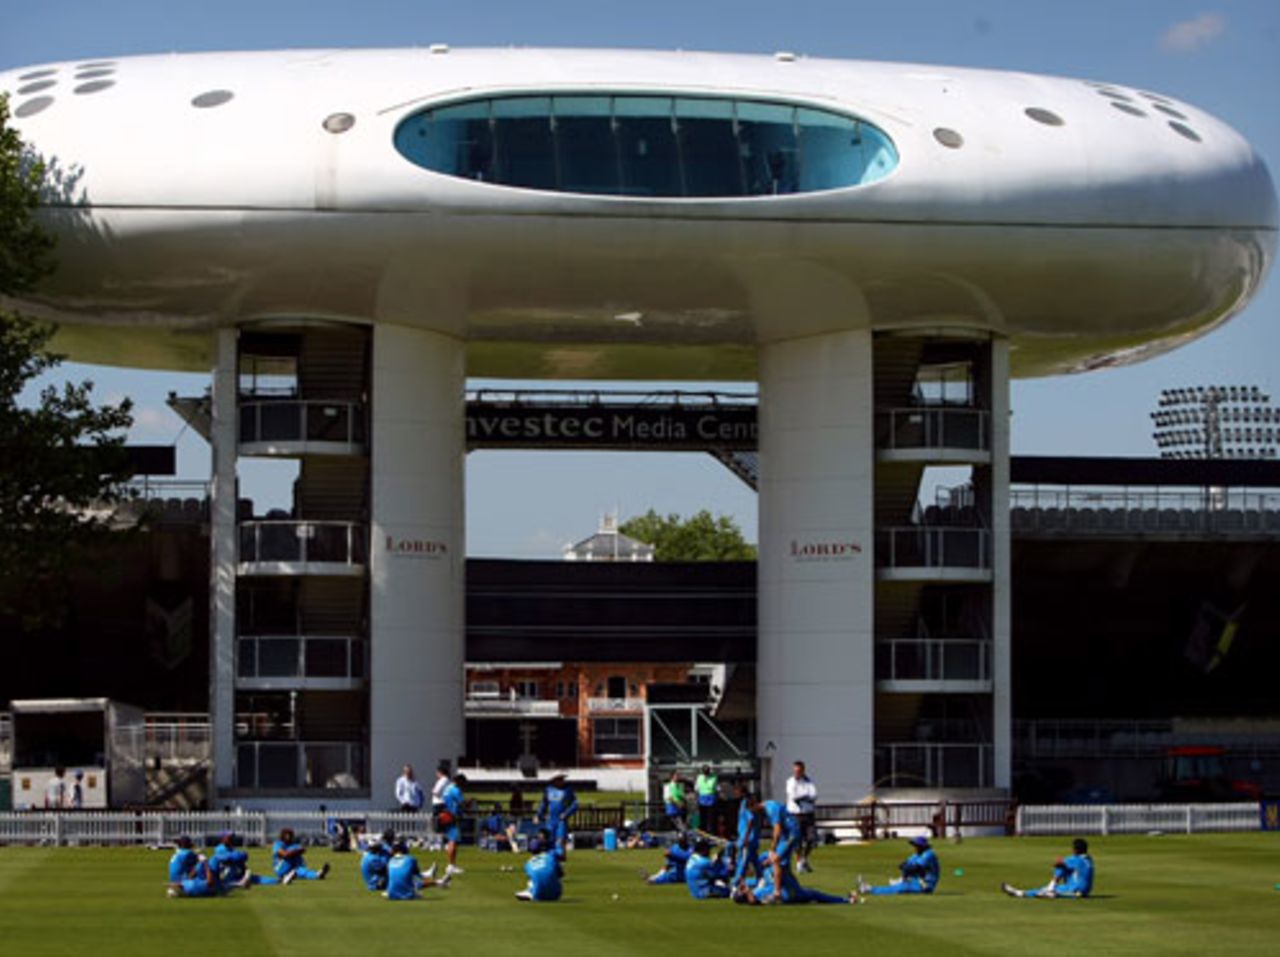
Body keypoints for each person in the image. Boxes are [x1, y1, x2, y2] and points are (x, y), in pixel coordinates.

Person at [1002, 838, 1095, 899]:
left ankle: (1022, 892)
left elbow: (1057, 863)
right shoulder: (1088, 859)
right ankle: (1049, 889)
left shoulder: (1076, 859)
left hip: (1075, 890)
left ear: (1075, 849)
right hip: (1083, 890)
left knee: (1060, 868)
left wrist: (1058, 863)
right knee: (1063, 869)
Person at [856, 835, 939, 897]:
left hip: (925, 885)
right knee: (901, 885)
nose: (915, 847)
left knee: (899, 888)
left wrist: (906, 868)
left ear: (921, 846)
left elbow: (916, 868)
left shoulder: (928, 854)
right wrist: (906, 868)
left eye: (916, 846)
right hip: (918, 881)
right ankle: (902, 881)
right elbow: (903, 864)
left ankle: (869, 889)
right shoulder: (917, 855)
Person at [754, 795, 802, 897]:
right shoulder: (768, 808)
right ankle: (794, 888)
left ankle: (777, 891)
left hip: (790, 835)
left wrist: (772, 849)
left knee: (776, 860)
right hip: (786, 836)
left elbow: (777, 830)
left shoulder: (771, 809)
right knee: (782, 865)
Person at [385, 841, 450, 900]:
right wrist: (434, 882)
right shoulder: (410, 859)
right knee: (416, 882)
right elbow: (418, 879)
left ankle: (432, 876)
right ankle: (437, 880)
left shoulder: (390, 861)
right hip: (407, 895)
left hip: (391, 895)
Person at [785, 760, 818, 872]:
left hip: (808, 814)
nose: (797, 773)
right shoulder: (790, 782)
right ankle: (799, 862)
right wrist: (806, 796)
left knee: (812, 839)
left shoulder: (809, 782)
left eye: (799, 771)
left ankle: (804, 859)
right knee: (797, 840)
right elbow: (794, 796)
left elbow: (814, 795)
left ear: (803, 770)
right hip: (795, 814)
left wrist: (804, 797)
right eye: (795, 771)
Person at [536, 772, 578, 858]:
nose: (562, 781)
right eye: (559, 779)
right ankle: (550, 857)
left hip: (561, 819)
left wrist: (566, 814)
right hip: (550, 819)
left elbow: (575, 804)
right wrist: (538, 815)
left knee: (561, 838)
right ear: (554, 780)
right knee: (549, 839)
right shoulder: (548, 790)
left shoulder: (568, 790)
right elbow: (544, 804)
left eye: (562, 779)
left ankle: (561, 856)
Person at [515, 829, 563, 902]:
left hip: (538, 896)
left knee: (532, 880)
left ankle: (531, 892)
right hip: (556, 895)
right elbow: (561, 874)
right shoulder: (550, 857)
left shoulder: (528, 864)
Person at [731, 785, 763, 890]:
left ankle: (736, 883)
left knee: (742, 861)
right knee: (755, 860)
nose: (734, 793)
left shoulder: (746, 803)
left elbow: (750, 820)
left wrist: (745, 837)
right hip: (752, 838)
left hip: (747, 839)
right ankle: (761, 878)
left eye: (736, 791)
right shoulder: (747, 802)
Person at [440, 772, 467, 877]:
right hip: (453, 816)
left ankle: (452, 865)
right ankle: (451, 865)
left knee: (452, 840)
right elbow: (462, 803)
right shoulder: (456, 790)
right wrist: (469, 802)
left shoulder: (448, 789)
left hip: (447, 815)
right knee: (453, 841)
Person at [694, 766, 718, 834]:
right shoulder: (699, 777)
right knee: (703, 819)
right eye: (705, 772)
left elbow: (714, 788)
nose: (706, 774)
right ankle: (703, 832)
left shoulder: (714, 777)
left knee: (711, 819)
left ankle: (711, 832)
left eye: (707, 772)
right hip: (702, 800)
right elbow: (696, 789)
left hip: (711, 800)